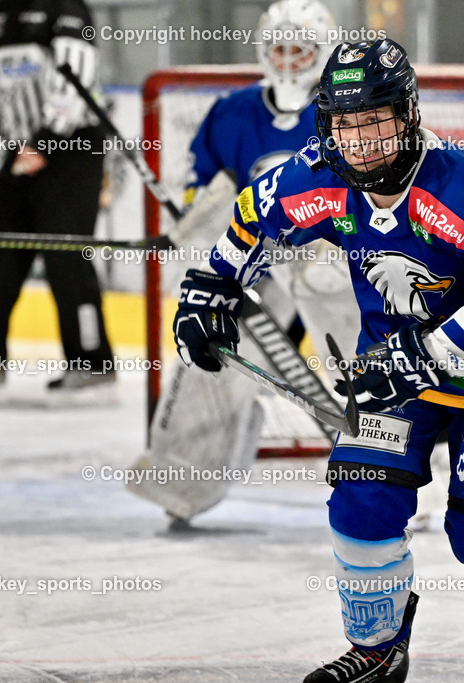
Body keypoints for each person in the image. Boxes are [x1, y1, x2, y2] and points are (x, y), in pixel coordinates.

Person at [172, 40, 464, 682]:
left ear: (408, 115)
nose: (361, 141)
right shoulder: (321, 175)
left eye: (375, 120)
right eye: (346, 124)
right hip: (393, 377)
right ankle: (379, 650)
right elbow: (255, 214)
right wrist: (210, 285)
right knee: (359, 503)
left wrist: (427, 355)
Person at [128, 0, 351, 525]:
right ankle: (183, 479)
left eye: (303, 50)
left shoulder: (347, 113)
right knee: (211, 348)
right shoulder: (232, 112)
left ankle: (406, 474)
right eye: (280, 48)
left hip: (331, 260)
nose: (291, 60)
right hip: (254, 258)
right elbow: (204, 188)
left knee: (366, 355)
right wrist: (197, 217)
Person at [0, 0, 114, 402]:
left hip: (72, 147)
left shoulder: (67, 7)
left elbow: (75, 78)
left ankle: (93, 365)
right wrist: (25, 145)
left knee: (66, 256)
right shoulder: (1, 11)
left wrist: (43, 142)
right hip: (23, 150)